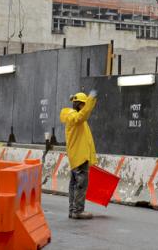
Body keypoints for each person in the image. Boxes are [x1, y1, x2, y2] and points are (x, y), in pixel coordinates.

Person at [60, 90, 98, 220]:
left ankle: (73, 210)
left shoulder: (77, 119)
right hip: (80, 157)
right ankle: (78, 211)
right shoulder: (75, 117)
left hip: (78, 156)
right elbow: (83, 115)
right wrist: (91, 100)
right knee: (80, 184)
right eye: (84, 105)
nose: (85, 108)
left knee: (75, 184)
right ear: (80, 105)